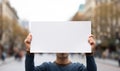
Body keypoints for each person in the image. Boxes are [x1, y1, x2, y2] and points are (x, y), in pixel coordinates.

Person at [24, 33, 97, 71]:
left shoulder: (78, 68)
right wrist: (29, 51)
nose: (62, 49)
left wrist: (89, 53)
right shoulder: (46, 67)